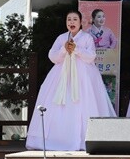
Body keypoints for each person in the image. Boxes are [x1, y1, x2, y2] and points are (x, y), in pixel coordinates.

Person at [26, 10, 116, 151]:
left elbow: (91, 56)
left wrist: (77, 49)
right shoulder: (61, 38)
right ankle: (59, 140)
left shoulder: (87, 38)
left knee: (84, 105)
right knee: (59, 106)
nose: (71, 22)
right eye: (69, 19)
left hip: (83, 78)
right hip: (61, 76)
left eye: (75, 19)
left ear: (81, 23)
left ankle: (84, 140)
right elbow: (52, 56)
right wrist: (64, 49)